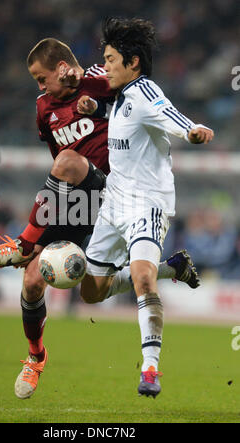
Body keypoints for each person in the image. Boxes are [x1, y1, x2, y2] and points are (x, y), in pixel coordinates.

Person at [0, 38, 199, 400]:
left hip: (113, 192)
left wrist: (95, 103)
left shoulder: (103, 78)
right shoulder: (43, 108)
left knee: (67, 160)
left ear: (63, 68)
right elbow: (57, 166)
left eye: (41, 77)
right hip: (76, 199)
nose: (39, 86)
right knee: (39, 282)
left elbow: (131, 99)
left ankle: (23, 243)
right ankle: (36, 358)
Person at [78, 17, 214, 398]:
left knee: (141, 279)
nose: (104, 66)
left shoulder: (145, 90)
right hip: (114, 203)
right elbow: (128, 124)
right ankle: (172, 268)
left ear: (133, 62)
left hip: (147, 203)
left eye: (110, 59)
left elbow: (166, 113)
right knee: (90, 292)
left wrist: (191, 129)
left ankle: (151, 370)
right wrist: (94, 111)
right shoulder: (120, 99)